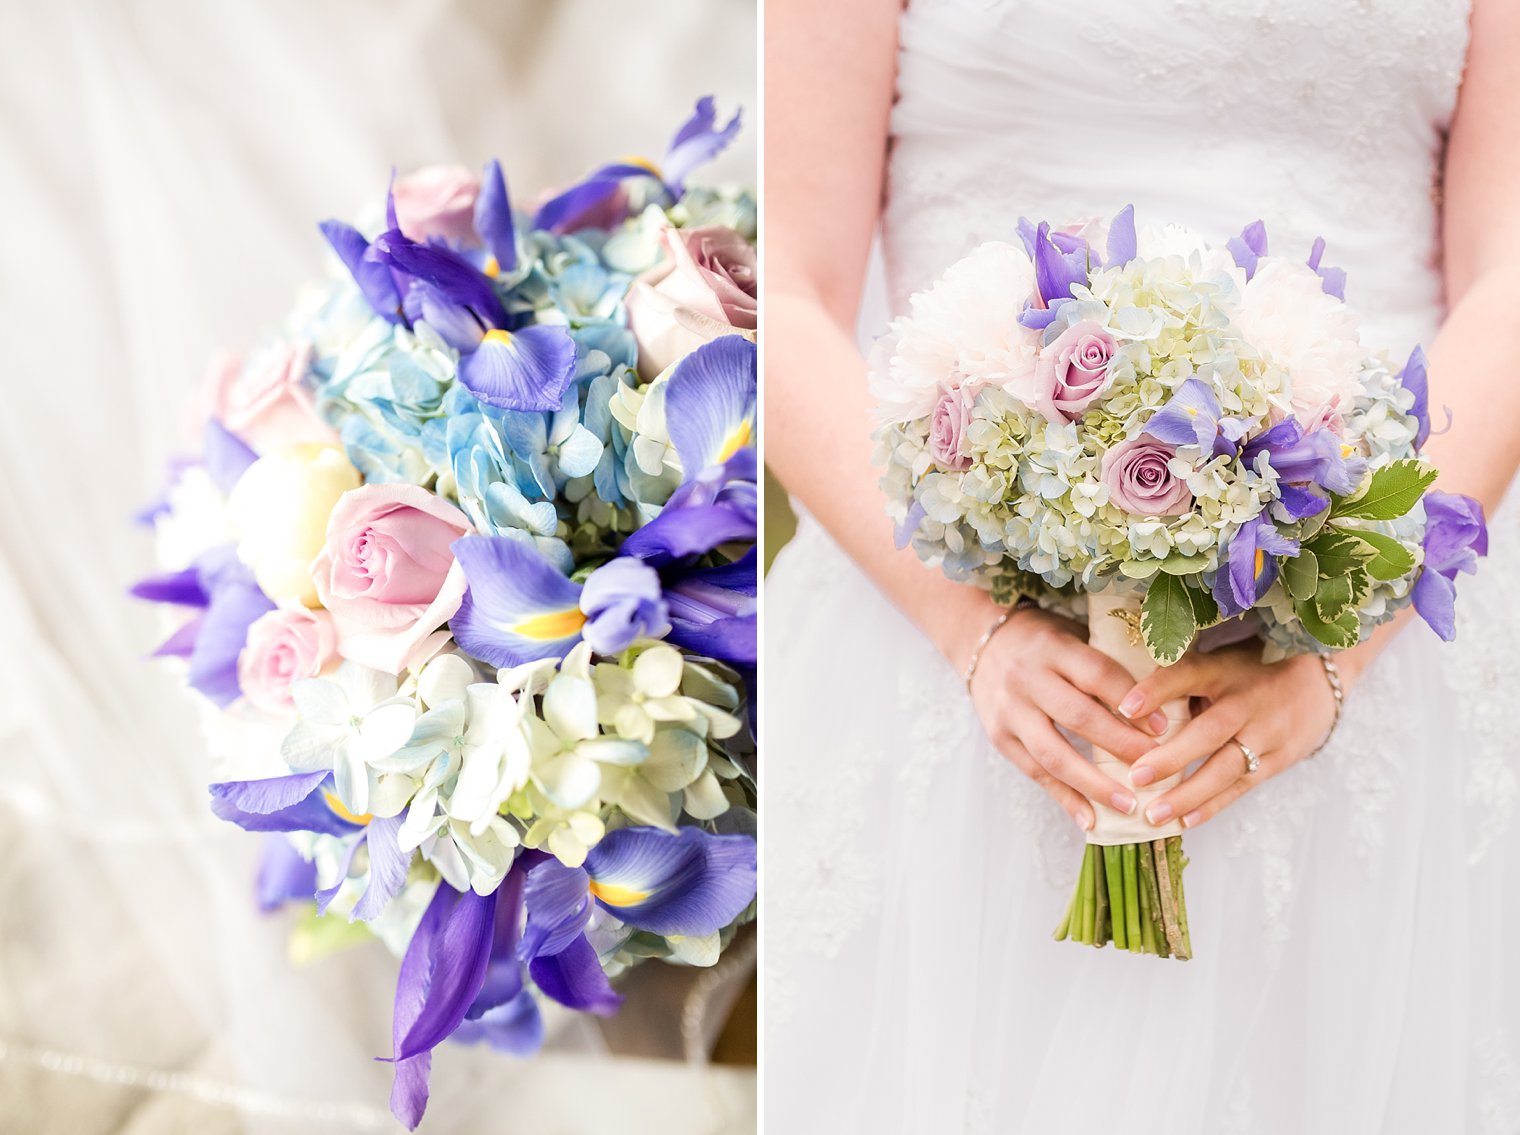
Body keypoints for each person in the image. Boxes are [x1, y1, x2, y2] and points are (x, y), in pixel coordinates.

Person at [763, 0, 1520, 1129]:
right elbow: (782, 287)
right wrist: (974, 632)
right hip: (953, 625)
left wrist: (1339, 651)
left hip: (1385, 617)